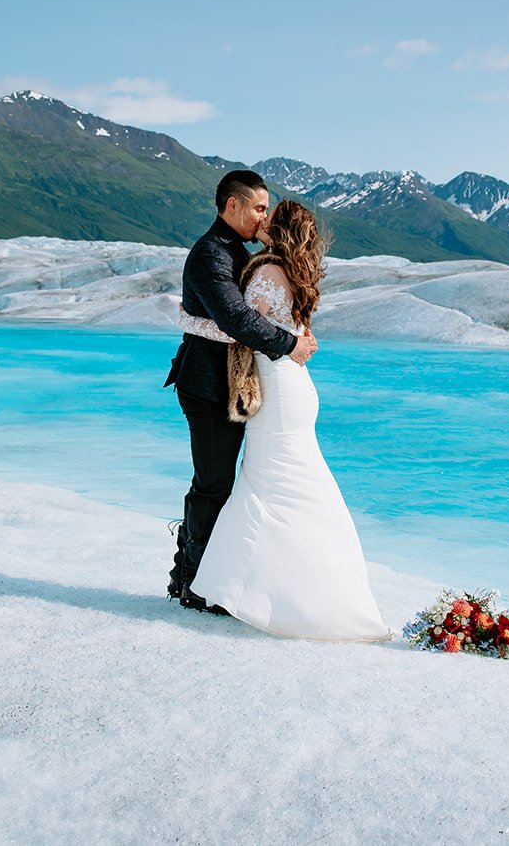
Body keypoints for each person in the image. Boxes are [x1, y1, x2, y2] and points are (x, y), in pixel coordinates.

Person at [189, 200, 393, 641]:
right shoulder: (294, 271)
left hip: (280, 389)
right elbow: (281, 328)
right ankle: (265, 588)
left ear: (277, 228)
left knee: (269, 484)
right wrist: (297, 339)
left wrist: (188, 320)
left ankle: (248, 593)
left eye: (268, 215)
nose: (260, 219)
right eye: (257, 210)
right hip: (295, 385)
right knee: (291, 483)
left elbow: (242, 325)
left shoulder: (264, 273)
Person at [166, 170, 318, 612]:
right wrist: (288, 344)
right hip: (207, 386)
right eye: (256, 208)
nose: (262, 216)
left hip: (230, 387)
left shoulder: (237, 252)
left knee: (215, 484)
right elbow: (236, 319)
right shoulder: (210, 255)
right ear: (232, 206)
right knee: (214, 486)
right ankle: (193, 586)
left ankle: (189, 576)